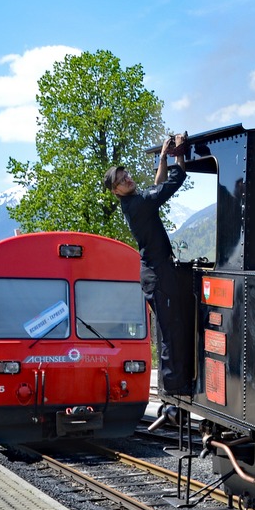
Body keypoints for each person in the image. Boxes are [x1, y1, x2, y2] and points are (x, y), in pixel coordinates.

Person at [104, 134, 193, 395]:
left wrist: (164, 157)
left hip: (156, 271)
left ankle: (174, 382)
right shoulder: (139, 204)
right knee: (170, 329)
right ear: (115, 191)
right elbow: (173, 183)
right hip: (157, 273)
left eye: (126, 175)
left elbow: (158, 185)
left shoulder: (136, 203)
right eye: (121, 180)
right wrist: (180, 154)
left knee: (171, 327)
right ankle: (175, 386)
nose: (127, 179)